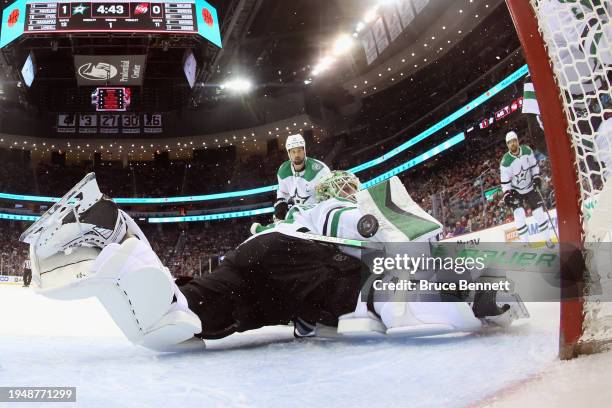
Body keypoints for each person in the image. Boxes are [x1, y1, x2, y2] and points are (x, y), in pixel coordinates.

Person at [21, 172, 519, 352]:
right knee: (369, 290)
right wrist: (475, 289)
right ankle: (477, 301)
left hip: (257, 269)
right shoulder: (342, 204)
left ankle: (119, 241)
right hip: (295, 262)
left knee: (175, 323)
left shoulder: (297, 214)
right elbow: (386, 240)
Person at [500, 131, 554, 246]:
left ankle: (548, 239)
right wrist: (507, 193)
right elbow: (505, 182)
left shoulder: (527, 150)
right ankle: (526, 244)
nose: (512, 144)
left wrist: (536, 178)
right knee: (519, 215)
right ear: (507, 145)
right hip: (516, 191)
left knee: (539, 213)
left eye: (514, 141)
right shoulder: (505, 162)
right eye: (509, 143)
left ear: (517, 141)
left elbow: (534, 166)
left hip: (530, 187)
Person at [274, 133, 330, 220]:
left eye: (299, 150)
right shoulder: (283, 170)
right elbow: (283, 192)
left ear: (304, 150)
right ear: (288, 153)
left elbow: (329, 193)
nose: (296, 155)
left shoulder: (320, 169)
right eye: (293, 151)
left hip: (319, 216)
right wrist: (280, 206)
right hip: (299, 216)